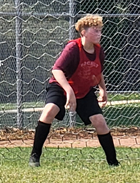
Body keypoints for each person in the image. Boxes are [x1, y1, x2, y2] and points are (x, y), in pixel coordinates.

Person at [29, 14, 119, 167]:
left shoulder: (99, 51)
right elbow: (57, 70)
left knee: (100, 122)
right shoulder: (73, 48)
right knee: (49, 110)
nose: (99, 34)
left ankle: (113, 163)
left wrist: (103, 89)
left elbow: (98, 72)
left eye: (100, 31)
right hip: (61, 87)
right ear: (83, 32)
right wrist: (68, 90)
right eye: (95, 31)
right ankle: (35, 157)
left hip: (83, 91)